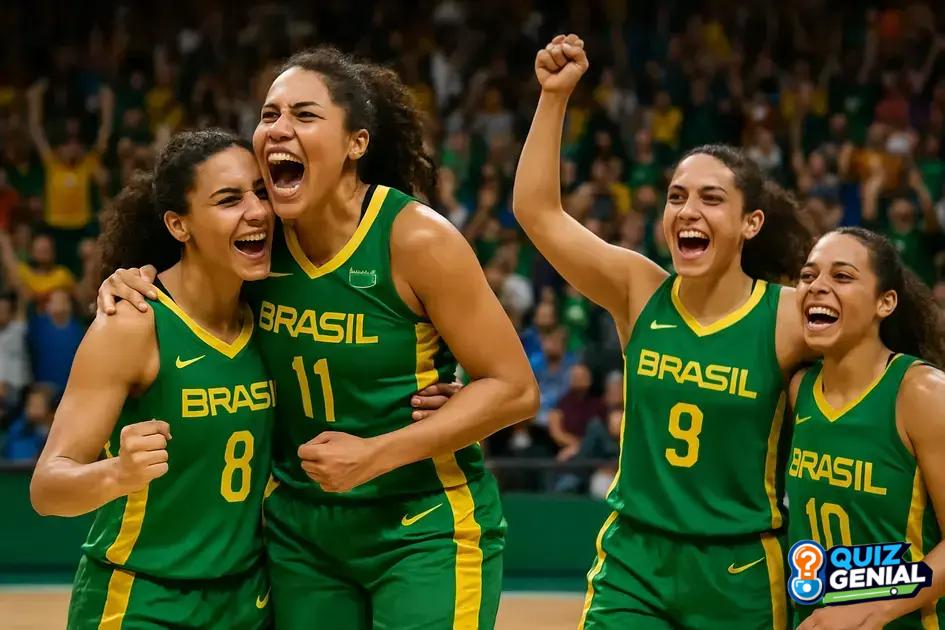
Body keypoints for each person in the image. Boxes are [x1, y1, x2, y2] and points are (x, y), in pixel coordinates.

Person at [98, 46, 539, 630]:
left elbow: (515, 389)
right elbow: (185, 269)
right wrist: (130, 275)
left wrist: (377, 454)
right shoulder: (257, 238)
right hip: (300, 532)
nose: (279, 128)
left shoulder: (415, 240)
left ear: (356, 143)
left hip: (421, 522)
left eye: (304, 115)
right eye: (269, 114)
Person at [514, 34, 812, 629]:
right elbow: (538, 212)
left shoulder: (788, 315)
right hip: (636, 563)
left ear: (751, 223)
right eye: (677, 197)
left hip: (739, 568)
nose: (687, 211)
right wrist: (553, 98)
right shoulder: (638, 289)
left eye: (710, 198)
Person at [31, 129, 276, 629]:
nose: (257, 210)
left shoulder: (275, 313)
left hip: (249, 601)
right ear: (178, 225)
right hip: (141, 600)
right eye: (229, 199)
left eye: (262, 192)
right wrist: (116, 474)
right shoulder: (134, 321)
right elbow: (46, 487)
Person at [787, 228, 945, 629]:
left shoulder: (920, 393)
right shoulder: (798, 390)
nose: (818, 287)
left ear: (885, 302)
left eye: (842, 277)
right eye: (808, 276)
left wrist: (877, 608)